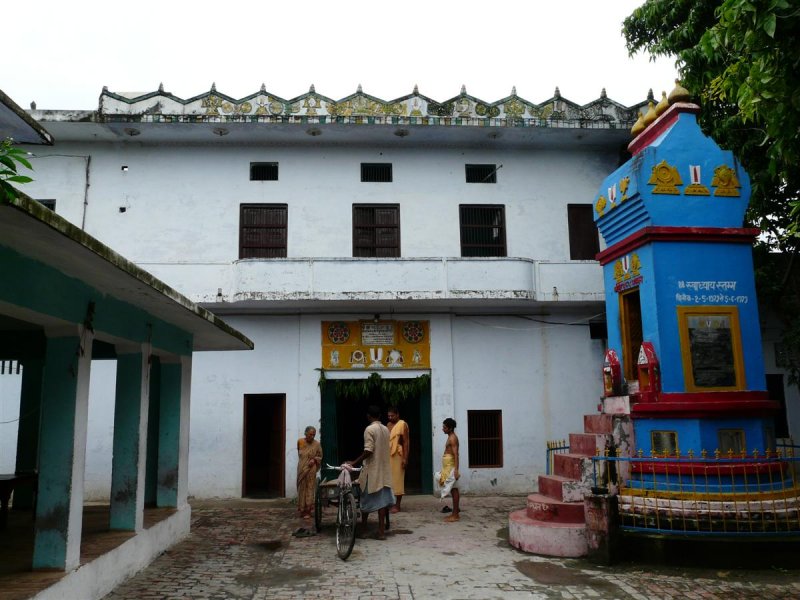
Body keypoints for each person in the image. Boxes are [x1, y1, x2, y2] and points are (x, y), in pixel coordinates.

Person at [348, 405, 395, 539]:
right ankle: (381, 532)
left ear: (368, 416)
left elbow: (368, 450)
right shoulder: (386, 429)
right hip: (384, 471)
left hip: (372, 471)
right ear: (380, 416)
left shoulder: (369, 429)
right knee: (382, 503)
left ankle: (363, 530)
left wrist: (354, 462)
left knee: (365, 500)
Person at [296, 425, 322, 520]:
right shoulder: (300, 442)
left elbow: (320, 456)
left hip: (311, 468)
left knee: (310, 488)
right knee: (302, 488)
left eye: (314, 435)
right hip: (301, 468)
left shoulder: (317, 444)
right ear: (306, 433)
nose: (312, 436)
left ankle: (308, 510)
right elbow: (300, 454)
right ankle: (302, 509)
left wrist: (314, 459)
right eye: (310, 434)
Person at [386, 406, 409, 513]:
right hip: (388, 454)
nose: (390, 417)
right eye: (389, 416)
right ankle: (390, 503)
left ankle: (397, 505)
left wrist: (405, 458)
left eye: (392, 415)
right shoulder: (388, 425)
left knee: (398, 480)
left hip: (398, 454)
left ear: (397, 415)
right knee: (388, 480)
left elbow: (406, 442)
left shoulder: (402, 424)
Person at [441, 418, 460, 522]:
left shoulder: (452, 438)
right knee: (453, 489)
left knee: (454, 489)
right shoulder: (450, 437)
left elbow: (456, 454)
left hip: (451, 466)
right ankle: (455, 513)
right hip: (448, 466)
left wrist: (456, 470)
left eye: (444, 427)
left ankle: (455, 514)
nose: (443, 429)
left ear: (450, 428)